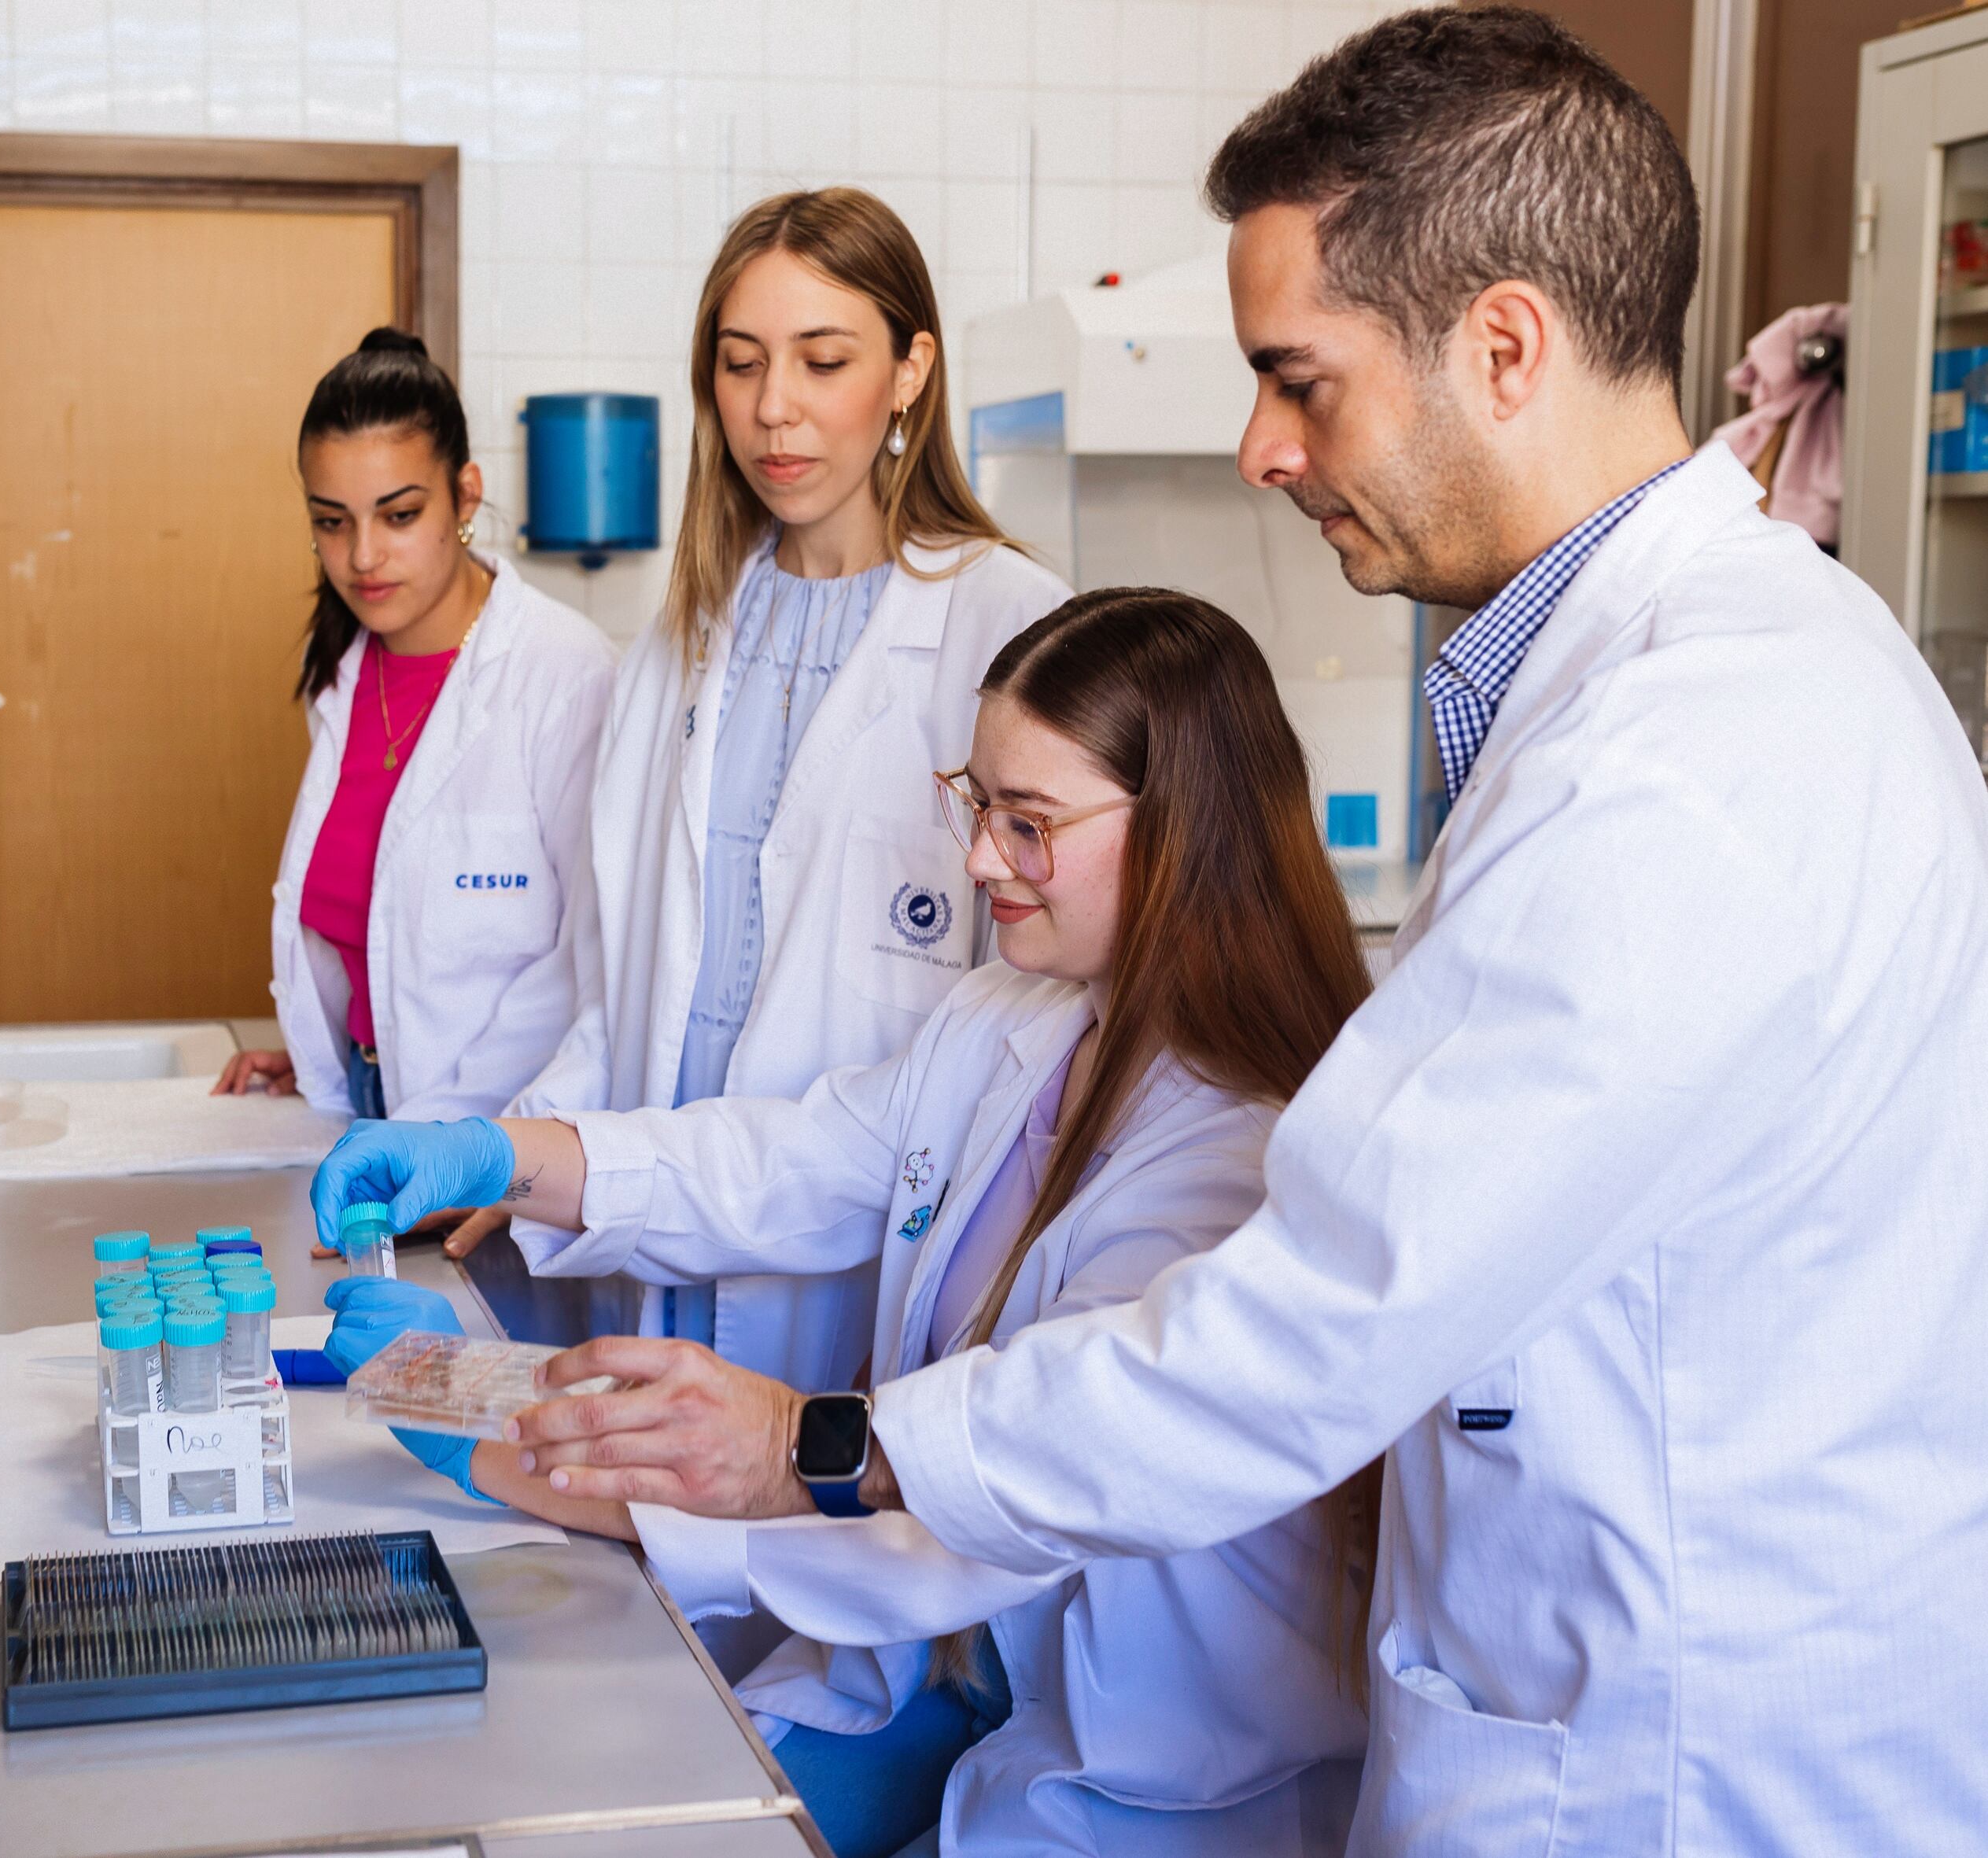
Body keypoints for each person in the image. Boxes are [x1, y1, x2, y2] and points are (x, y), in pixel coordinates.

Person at [447, 13, 1988, 1853]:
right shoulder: (1651, 694)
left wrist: (814, 1445)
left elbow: (1308, 1324)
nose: (1259, 447)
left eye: (1301, 379)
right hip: (1591, 1690)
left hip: (1675, 1768)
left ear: (1503, 345)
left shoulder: (1688, 750)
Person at [317, 590, 1376, 1857]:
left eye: (1027, 822)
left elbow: (982, 1517)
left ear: (1185, 833)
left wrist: (519, 1448)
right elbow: (787, 1156)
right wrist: (503, 1150)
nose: (981, 858)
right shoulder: (1014, 1021)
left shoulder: (1234, 1159)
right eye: (975, 803)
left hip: (1144, 1784)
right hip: (953, 1694)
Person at [441, 187, 1070, 1393]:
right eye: (738, 365)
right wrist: (508, 1153)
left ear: (908, 371)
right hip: (655, 1246)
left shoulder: (1011, 631)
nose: (771, 407)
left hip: (862, 1271)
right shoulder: (678, 641)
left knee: (820, 1545)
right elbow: (618, 989)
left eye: (821, 360)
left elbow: (1026, 1033)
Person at [212, 328, 614, 1122]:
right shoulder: (342, 674)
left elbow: (592, 968)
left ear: (465, 496)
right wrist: (329, 1051)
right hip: (366, 1103)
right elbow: (382, 925)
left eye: (398, 514)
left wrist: (468, 1152)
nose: (363, 556)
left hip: (509, 1140)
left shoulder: (568, 675)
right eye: (332, 521)